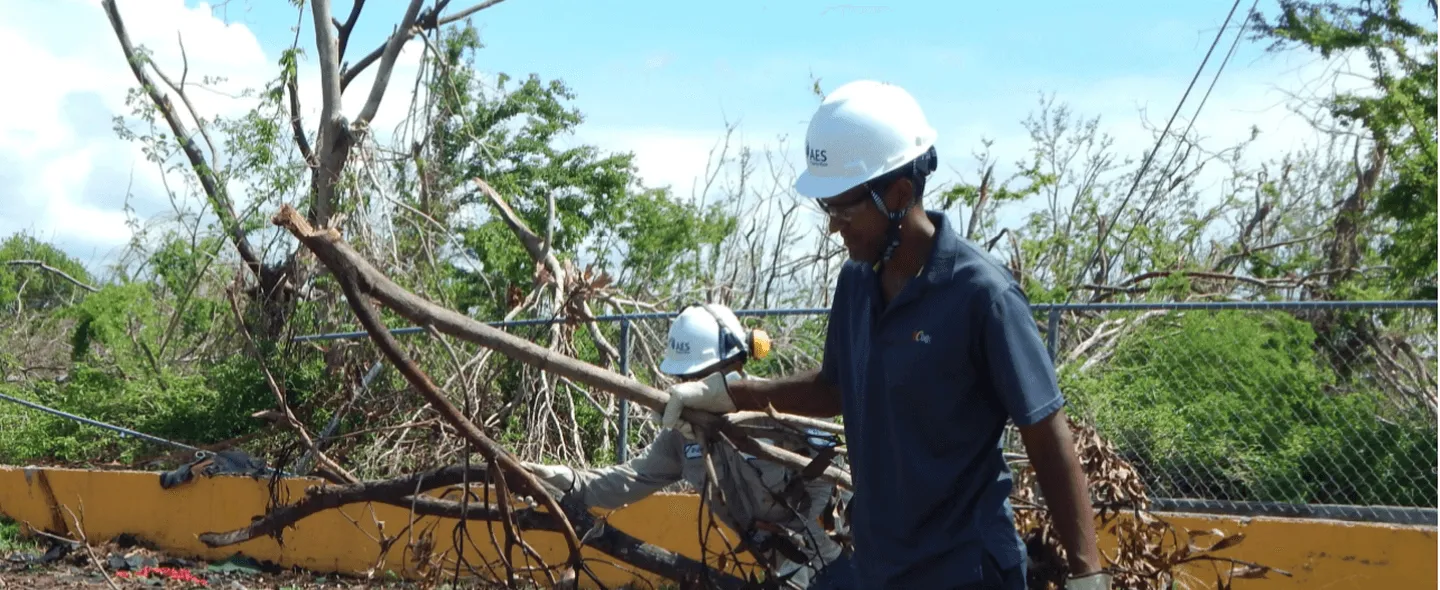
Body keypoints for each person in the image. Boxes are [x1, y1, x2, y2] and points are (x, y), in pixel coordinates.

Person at [661, 80, 1110, 589]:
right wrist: (728, 393)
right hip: (882, 562)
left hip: (966, 567)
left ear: (898, 194)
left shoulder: (982, 296)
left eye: (845, 210)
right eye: (827, 209)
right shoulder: (856, 282)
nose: (834, 227)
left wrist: (1086, 574)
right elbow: (834, 387)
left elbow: (1046, 434)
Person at [523, 302, 847, 588]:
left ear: (734, 365)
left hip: (843, 563)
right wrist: (560, 479)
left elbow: (840, 471)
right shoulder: (682, 438)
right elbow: (627, 481)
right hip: (779, 568)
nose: (690, 387)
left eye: (702, 376)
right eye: (683, 378)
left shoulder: (780, 409)